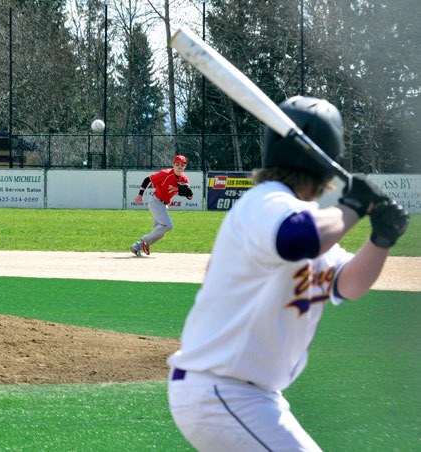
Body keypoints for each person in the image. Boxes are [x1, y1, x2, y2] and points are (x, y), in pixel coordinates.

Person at [167, 96, 409, 451]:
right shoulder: (266, 203)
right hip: (221, 389)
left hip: (248, 395)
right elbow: (297, 237)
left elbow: (349, 284)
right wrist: (354, 206)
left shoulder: (300, 220)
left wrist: (381, 239)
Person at [130, 154, 192, 256]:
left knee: (160, 233)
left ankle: (136, 247)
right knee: (168, 225)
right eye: (177, 164)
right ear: (173, 164)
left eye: (182, 164)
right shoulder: (165, 173)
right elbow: (147, 179)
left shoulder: (184, 179)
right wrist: (140, 195)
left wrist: (183, 191)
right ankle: (145, 240)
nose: (179, 166)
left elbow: (190, 196)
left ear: (185, 166)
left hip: (163, 205)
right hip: (156, 202)